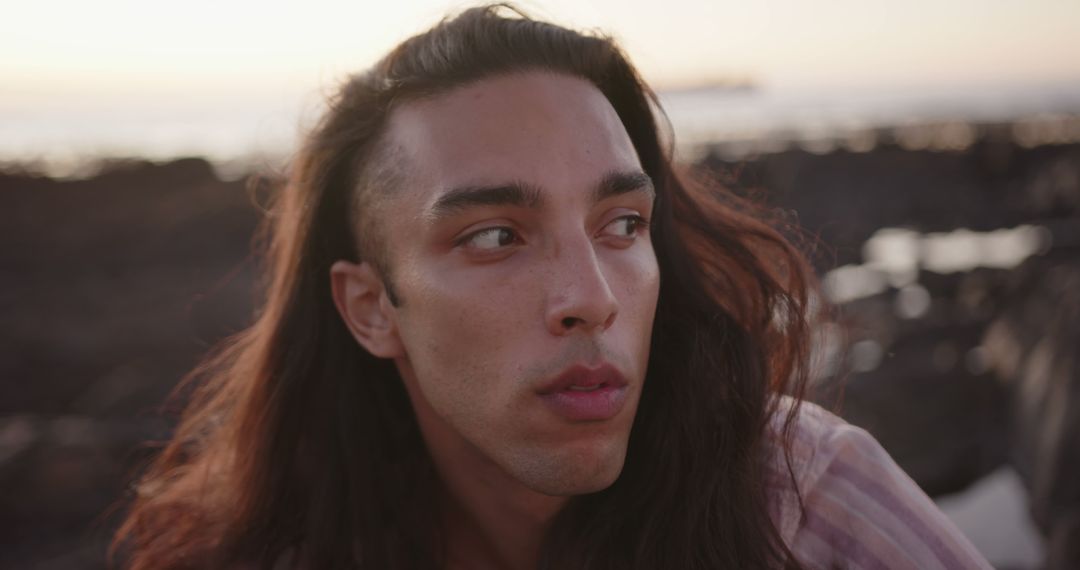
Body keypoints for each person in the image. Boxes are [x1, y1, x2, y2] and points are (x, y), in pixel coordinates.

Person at [113, 5, 992, 569]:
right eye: (496, 236)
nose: (592, 296)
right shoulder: (277, 552)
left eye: (622, 226)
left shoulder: (805, 509)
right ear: (371, 308)